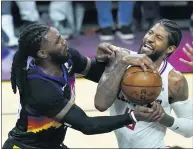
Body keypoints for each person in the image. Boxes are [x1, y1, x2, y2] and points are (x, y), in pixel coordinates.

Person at [2, 23, 157, 149]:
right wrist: (133, 116)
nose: (64, 41)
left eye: (61, 36)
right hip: (26, 146)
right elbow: (88, 125)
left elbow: (96, 73)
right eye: (57, 41)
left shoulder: (67, 57)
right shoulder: (39, 88)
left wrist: (107, 60)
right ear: (43, 54)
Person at [94, 19, 193, 148]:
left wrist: (164, 118)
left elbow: (190, 129)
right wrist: (121, 63)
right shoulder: (122, 59)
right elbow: (100, 105)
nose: (150, 38)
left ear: (170, 48)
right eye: (150, 32)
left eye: (158, 37)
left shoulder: (174, 80)